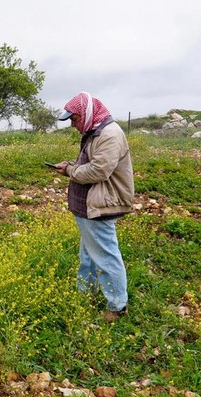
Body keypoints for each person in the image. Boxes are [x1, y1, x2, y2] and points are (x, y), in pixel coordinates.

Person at [52, 92, 134, 322]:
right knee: (88, 254)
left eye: (74, 119)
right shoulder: (95, 131)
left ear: (86, 113)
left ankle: (117, 306)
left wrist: (70, 171)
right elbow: (89, 163)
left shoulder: (109, 134)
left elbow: (99, 170)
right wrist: (69, 164)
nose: (73, 125)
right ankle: (85, 292)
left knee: (106, 256)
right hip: (90, 204)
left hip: (100, 205)